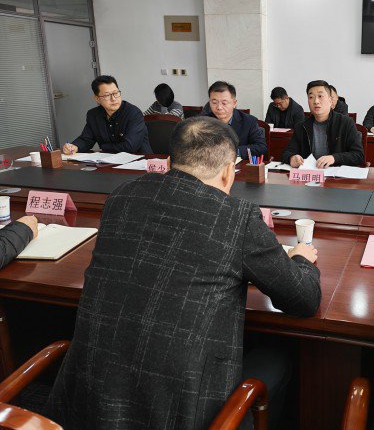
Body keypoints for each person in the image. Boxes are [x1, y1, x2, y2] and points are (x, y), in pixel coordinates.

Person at [45, 117, 321, 430]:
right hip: (181, 414)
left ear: (167, 162)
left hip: (86, 405)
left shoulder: (121, 197)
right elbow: (304, 299)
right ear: (228, 172)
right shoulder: (236, 217)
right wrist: (301, 259)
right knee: (277, 357)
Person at [281, 80, 364, 168]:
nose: (316, 101)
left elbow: (358, 155)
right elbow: (286, 153)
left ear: (330, 101)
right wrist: (292, 158)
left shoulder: (346, 123)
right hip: (311, 174)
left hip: (336, 174)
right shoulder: (302, 126)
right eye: (311, 97)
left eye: (320, 96)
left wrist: (334, 158)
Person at [63, 75, 152, 155]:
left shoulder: (133, 113)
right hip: (108, 163)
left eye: (116, 93)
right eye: (107, 95)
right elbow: (86, 139)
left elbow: (130, 146)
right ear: (97, 99)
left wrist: (104, 147)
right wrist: (74, 147)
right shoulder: (94, 115)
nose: (113, 99)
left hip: (140, 162)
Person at [200, 81, 267, 159]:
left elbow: (261, 147)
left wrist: (233, 151)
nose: (219, 107)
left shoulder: (249, 121)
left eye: (224, 103)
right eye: (214, 102)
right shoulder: (203, 122)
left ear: (234, 103)